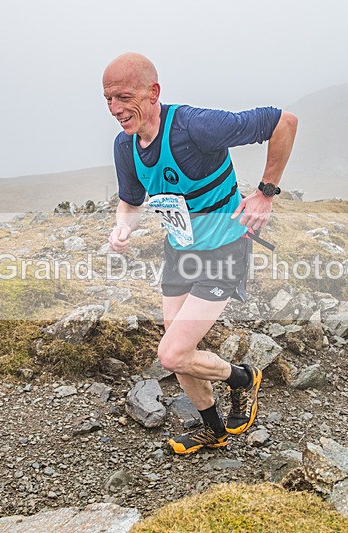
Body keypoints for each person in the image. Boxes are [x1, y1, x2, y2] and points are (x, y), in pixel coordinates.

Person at [103, 53, 298, 454]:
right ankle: (213, 427)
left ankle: (243, 379)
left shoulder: (195, 127)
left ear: (153, 92)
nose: (115, 109)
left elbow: (285, 122)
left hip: (224, 251)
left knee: (172, 353)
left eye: (123, 97)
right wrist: (123, 226)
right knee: (179, 349)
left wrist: (266, 192)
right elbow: (131, 201)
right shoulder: (126, 147)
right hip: (179, 251)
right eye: (108, 100)